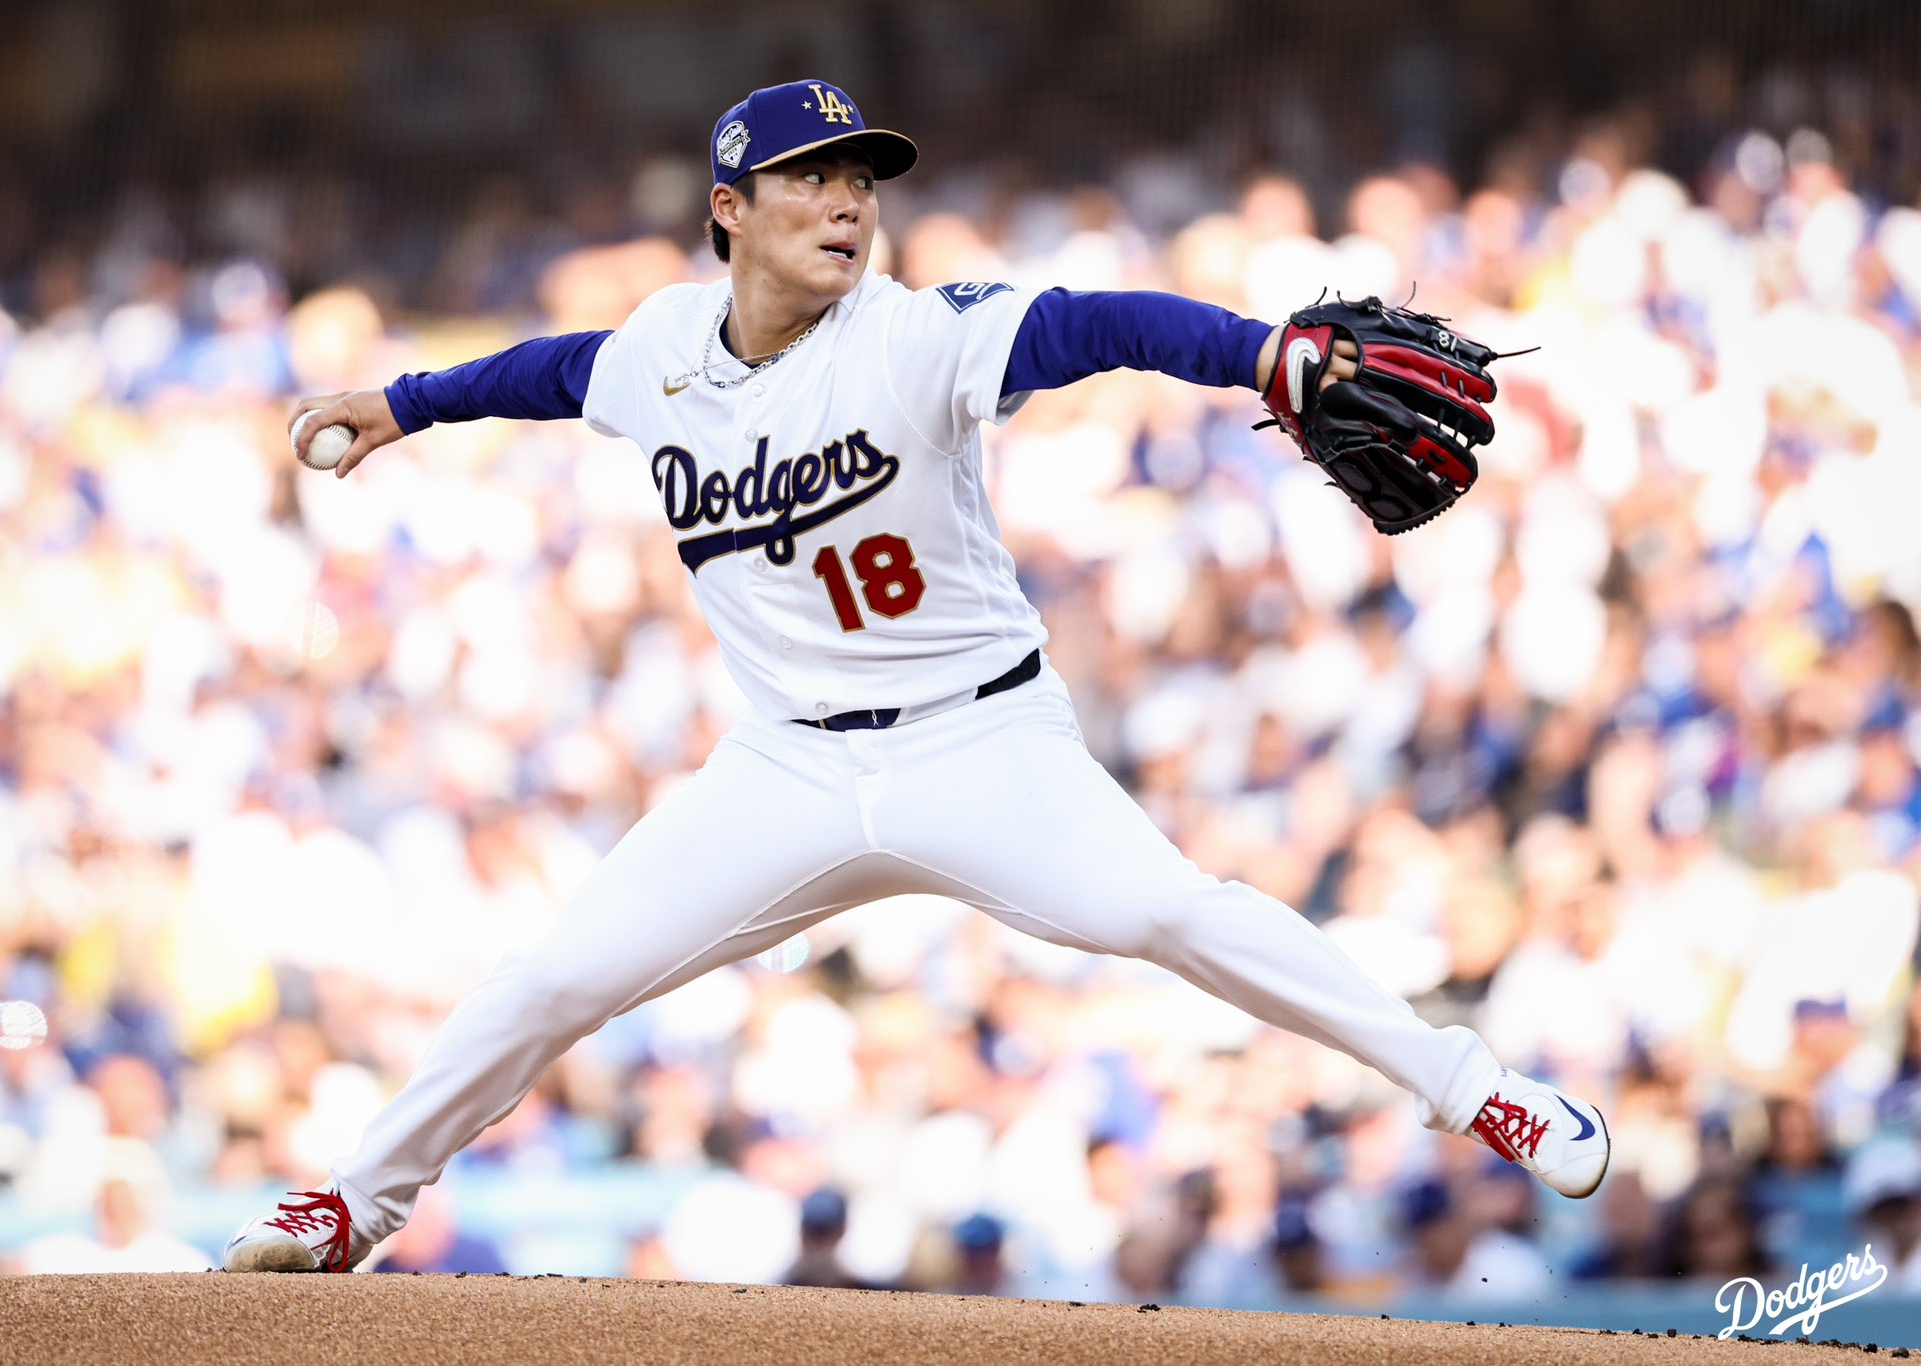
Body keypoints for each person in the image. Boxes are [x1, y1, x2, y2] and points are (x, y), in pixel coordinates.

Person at [223, 78, 1610, 1275]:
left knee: (1178, 913)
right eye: (808, 178)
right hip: (786, 766)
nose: (846, 204)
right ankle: (357, 1200)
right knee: (550, 975)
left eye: (860, 180)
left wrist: (1254, 351)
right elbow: (559, 368)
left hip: (980, 745)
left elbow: (1091, 324)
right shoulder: (658, 351)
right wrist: (402, 404)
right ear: (729, 210)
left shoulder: (910, 336)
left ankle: (1476, 1087)